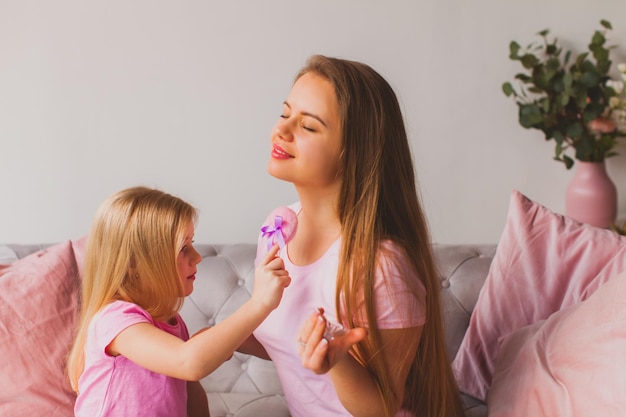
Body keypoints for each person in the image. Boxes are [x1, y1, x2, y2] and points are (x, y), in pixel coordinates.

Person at [240, 55, 465, 417]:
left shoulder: (380, 266)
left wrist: (337, 362)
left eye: (308, 127)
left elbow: (381, 408)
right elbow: (287, 343)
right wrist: (205, 340)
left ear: (353, 153)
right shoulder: (278, 228)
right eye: (285, 114)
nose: (281, 131)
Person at [67, 186, 291, 417]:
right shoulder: (114, 320)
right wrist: (259, 304)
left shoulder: (172, 324)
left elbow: (191, 394)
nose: (197, 257)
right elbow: (188, 363)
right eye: (183, 248)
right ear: (133, 264)